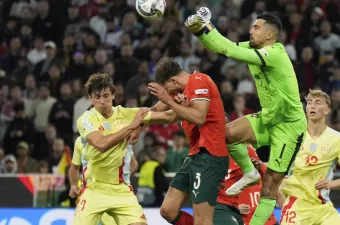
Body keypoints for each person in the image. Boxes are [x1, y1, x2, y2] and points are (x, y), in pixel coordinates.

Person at [184, 7, 307, 225]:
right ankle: (250, 173)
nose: (251, 30)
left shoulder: (274, 54)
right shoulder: (255, 48)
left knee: (269, 187)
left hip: (290, 127)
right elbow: (224, 47)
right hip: (269, 119)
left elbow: (231, 51)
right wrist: (202, 29)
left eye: (256, 27)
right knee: (227, 134)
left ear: (269, 35)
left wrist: (204, 27)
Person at [128, 57, 229, 225]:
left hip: (210, 156)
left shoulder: (199, 81)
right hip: (195, 156)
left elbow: (199, 117)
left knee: (202, 221)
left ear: (174, 81)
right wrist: (138, 126)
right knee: (168, 210)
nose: (168, 95)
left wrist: (169, 101)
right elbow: (159, 112)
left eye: (168, 89)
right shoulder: (179, 92)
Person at [73, 73, 149, 225]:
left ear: (113, 95)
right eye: (97, 97)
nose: (102, 102)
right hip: (94, 190)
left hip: (120, 189)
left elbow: (162, 114)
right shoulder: (85, 124)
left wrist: (171, 100)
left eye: (106, 96)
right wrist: (133, 127)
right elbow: (76, 166)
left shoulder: (124, 115)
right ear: (90, 98)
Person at [279, 89, 340, 225]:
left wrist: (329, 184)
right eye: (309, 103)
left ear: (327, 110)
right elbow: (277, 168)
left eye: (317, 102)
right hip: (297, 206)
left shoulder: (338, 140)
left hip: (322, 207)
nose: (312, 106)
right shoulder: (293, 137)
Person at [68, 136, 140, 225]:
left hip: (118, 193)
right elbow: (74, 167)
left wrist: (122, 177)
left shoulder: (118, 137)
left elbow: (134, 163)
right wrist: (73, 185)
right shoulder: (81, 141)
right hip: (92, 192)